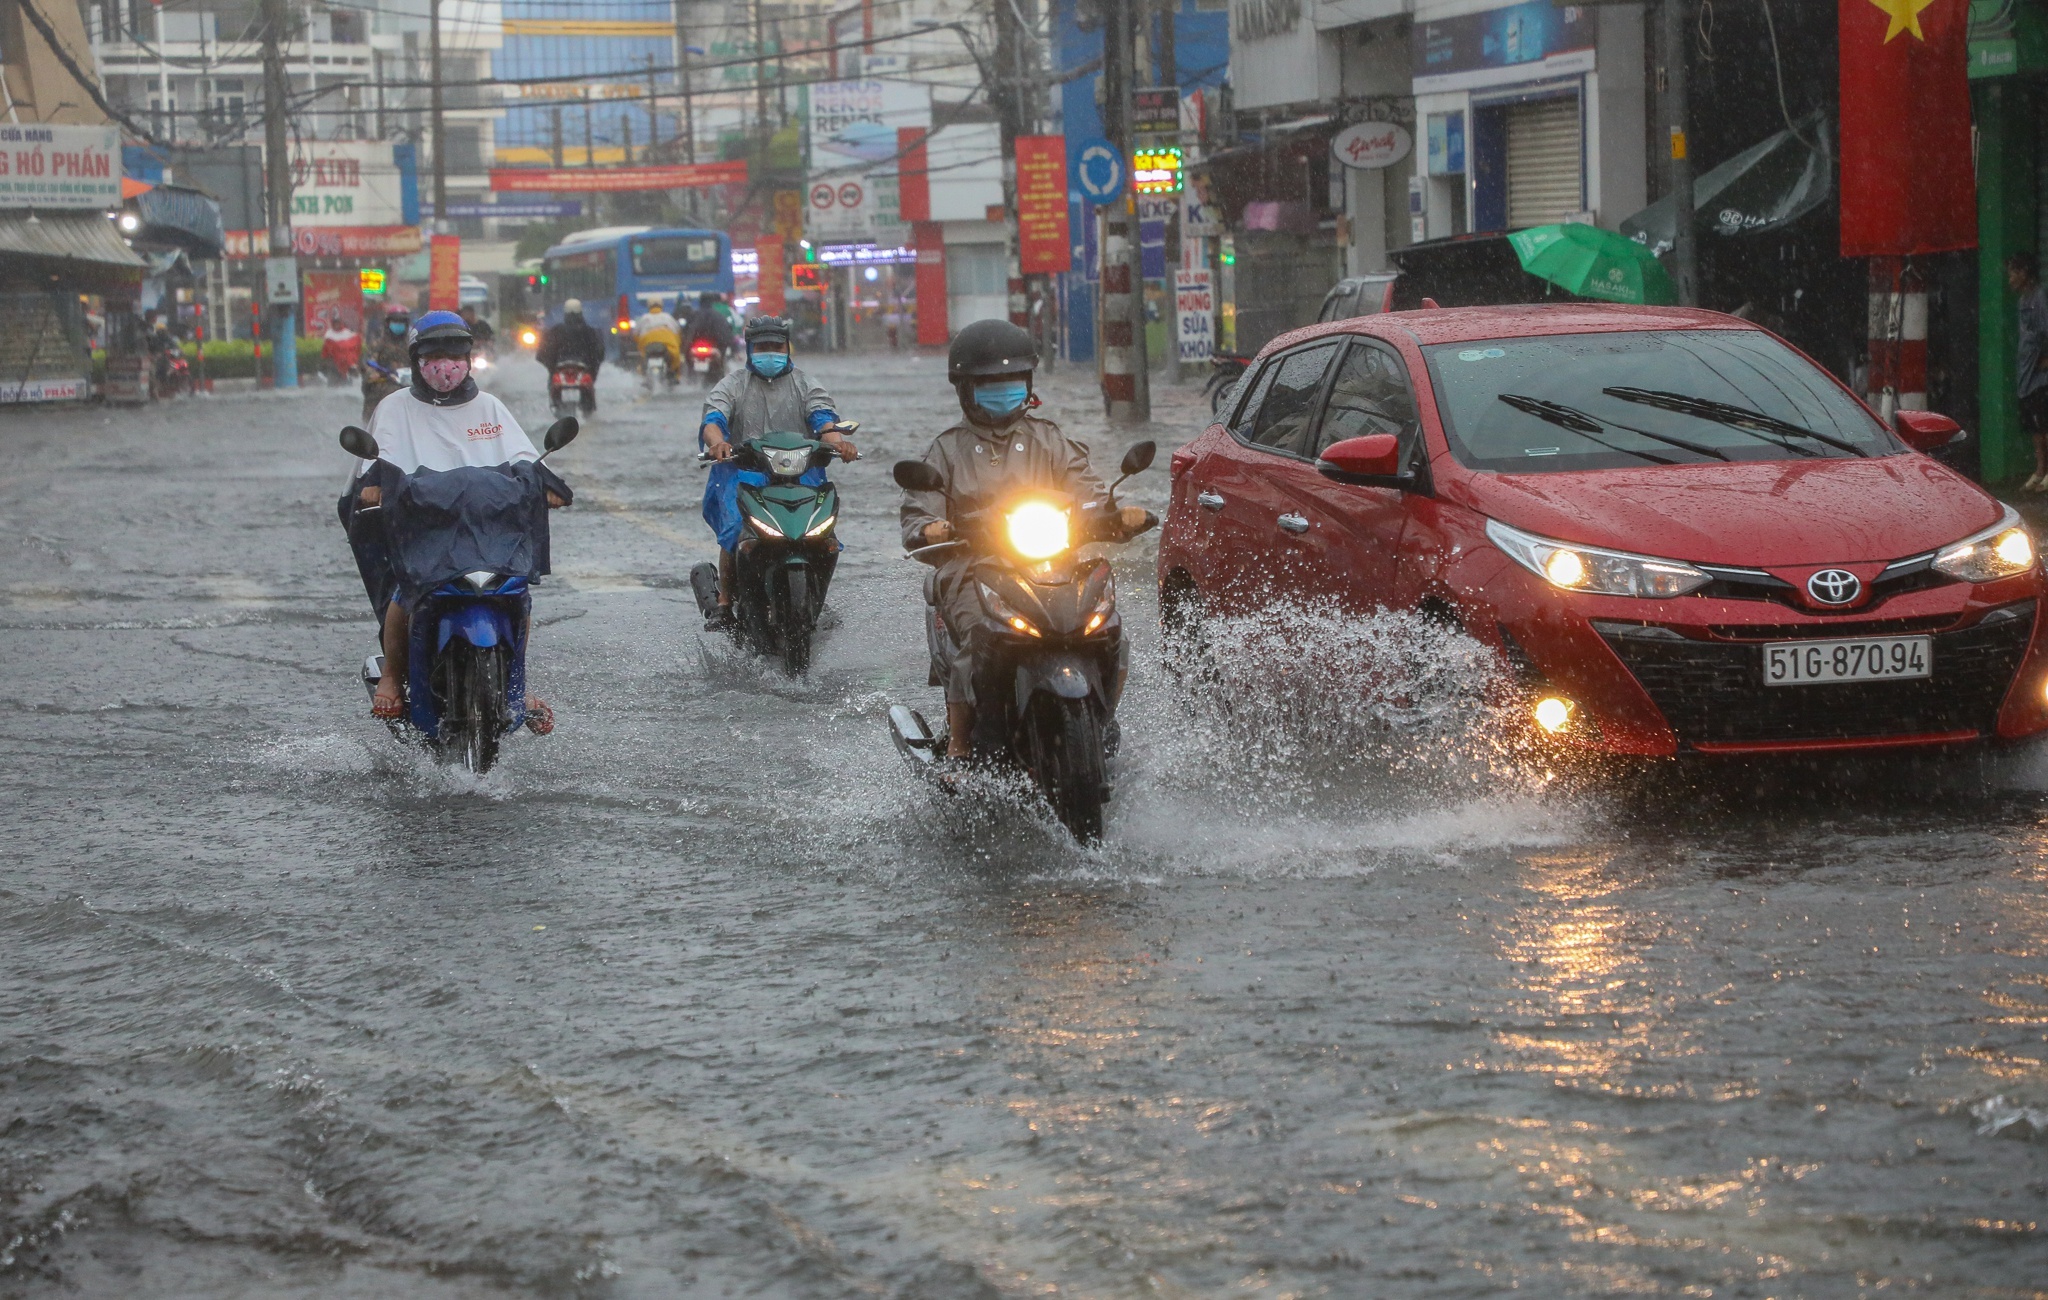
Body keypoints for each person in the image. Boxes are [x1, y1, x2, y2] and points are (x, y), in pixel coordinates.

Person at [898, 319, 1151, 759]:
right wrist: (930, 528)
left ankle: (1103, 720)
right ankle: (959, 747)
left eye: (1011, 383)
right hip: (973, 565)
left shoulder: (1049, 439)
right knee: (979, 632)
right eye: (989, 384)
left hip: (1054, 561)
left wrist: (1117, 516)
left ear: (1028, 384)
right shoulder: (946, 450)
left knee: (1109, 628)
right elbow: (918, 514)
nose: (1002, 392)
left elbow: (1088, 492)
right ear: (965, 390)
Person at [343, 311, 570, 729]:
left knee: (517, 597)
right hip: (425, 530)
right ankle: (392, 675)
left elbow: (522, 455)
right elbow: (379, 463)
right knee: (403, 595)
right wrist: (375, 486)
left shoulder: (489, 407)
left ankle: (517, 684)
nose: (444, 364)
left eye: (454, 354)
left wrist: (546, 485)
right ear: (417, 360)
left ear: (468, 358)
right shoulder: (396, 407)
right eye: (434, 355)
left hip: (486, 530)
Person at [698, 315, 856, 629]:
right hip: (745, 473)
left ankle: (815, 596)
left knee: (824, 536)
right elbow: (713, 420)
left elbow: (824, 419)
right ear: (750, 348)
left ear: (787, 347)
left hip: (800, 474)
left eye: (776, 346)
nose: (770, 352)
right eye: (762, 346)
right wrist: (718, 444)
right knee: (734, 530)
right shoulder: (733, 385)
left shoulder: (806, 384)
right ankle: (725, 601)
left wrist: (838, 443)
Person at [2008, 252, 2048, 491]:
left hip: (2040, 376)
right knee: (2034, 428)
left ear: (2024, 273)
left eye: (2013, 273)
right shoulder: (2023, 301)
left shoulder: (2040, 298)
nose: (2010, 278)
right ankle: (2040, 470)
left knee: (2044, 425)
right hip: (2026, 376)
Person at [537, 298, 606, 412]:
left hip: (561, 366)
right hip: (583, 366)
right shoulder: (590, 331)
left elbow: (543, 352)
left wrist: (551, 366)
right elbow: (599, 352)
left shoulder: (556, 331)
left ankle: (558, 402)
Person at [362, 307, 411, 420]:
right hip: (381, 390)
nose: (398, 325)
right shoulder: (378, 344)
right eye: (395, 322)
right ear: (388, 323)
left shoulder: (412, 345)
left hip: (408, 389)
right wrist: (378, 374)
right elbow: (368, 365)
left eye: (401, 322)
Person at [636, 299, 683, 374]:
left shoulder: (644, 318)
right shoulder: (668, 317)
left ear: (649, 306)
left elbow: (635, 335)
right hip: (667, 348)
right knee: (676, 362)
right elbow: (678, 333)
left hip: (648, 348)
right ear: (661, 306)